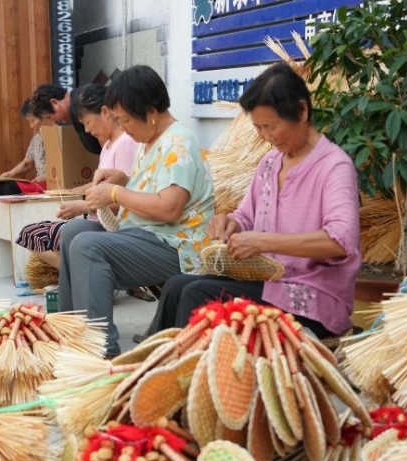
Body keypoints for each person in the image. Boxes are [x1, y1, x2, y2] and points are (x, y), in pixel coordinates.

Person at [149, 62, 361, 339]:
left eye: (271, 127)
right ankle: (157, 367)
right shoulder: (271, 162)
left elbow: (339, 241)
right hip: (267, 283)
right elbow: (245, 217)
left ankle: (189, 376)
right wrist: (229, 223)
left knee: (197, 293)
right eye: (259, 128)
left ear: (301, 111)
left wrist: (262, 242)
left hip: (312, 297)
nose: (265, 137)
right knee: (176, 286)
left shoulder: (334, 166)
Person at [59, 65, 215, 357]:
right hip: (146, 235)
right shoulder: (150, 141)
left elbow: (169, 208)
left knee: (88, 245)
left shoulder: (179, 143)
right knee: (73, 231)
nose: (125, 129)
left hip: (177, 247)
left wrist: (116, 192)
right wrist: (124, 179)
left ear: (150, 111)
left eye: (126, 120)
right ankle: (72, 334)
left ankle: (100, 350)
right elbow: (155, 188)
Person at [16, 83, 138, 268]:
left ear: (105, 112)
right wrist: (71, 192)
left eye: (87, 123)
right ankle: (84, 273)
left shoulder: (126, 143)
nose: (87, 131)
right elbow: (100, 187)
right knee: (31, 234)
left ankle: (92, 274)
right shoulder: (107, 146)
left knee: (40, 234)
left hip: (111, 227)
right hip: (96, 221)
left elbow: (124, 201)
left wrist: (83, 206)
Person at [0, 98, 47, 196]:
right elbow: (27, 163)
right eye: (29, 122)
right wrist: (10, 174)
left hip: (53, 184)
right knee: (1, 185)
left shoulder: (58, 135)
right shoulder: (37, 139)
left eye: (32, 121)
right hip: (39, 182)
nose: (31, 126)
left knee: (8, 189)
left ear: (44, 116)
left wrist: (48, 175)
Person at [30, 83, 102, 155]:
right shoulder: (75, 109)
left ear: (54, 102)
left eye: (49, 117)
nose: (53, 121)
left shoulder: (82, 102)